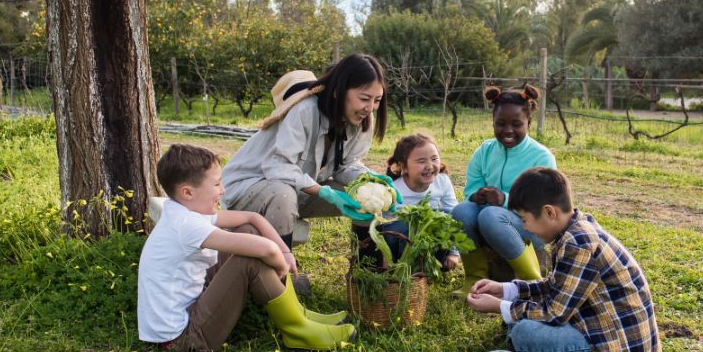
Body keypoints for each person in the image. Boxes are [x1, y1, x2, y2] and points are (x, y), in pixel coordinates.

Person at [137, 144, 355, 352]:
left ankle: (299, 315)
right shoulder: (186, 225)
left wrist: (286, 252)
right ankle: (297, 330)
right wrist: (281, 264)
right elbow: (266, 250)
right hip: (183, 338)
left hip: (191, 311)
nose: (222, 191)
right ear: (187, 193)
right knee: (249, 257)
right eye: (216, 184)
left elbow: (253, 218)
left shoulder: (181, 211)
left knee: (247, 230)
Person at [467, 167, 663, 352]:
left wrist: (498, 306)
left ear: (550, 212)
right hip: (595, 324)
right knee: (518, 318)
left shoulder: (578, 243)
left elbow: (554, 313)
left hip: (614, 347)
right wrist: (507, 290)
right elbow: (555, 286)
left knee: (522, 332)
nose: (525, 227)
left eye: (524, 219)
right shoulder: (575, 230)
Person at [221, 54, 398, 259]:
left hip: (297, 188)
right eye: (364, 98)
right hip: (248, 188)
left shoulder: (362, 119)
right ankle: (279, 281)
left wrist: (372, 181)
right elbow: (278, 168)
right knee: (283, 194)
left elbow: (345, 164)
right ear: (339, 92)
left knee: (369, 198)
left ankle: (368, 276)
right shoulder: (305, 110)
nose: (370, 108)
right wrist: (324, 192)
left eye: (377, 100)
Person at [451, 84, 557, 292]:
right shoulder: (485, 151)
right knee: (461, 211)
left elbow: (543, 206)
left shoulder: (541, 157)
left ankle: (531, 282)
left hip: (531, 229)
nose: (508, 130)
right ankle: (474, 279)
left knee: (491, 215)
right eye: (500, 123)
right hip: (491, 221)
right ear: (493, 122)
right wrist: (477, 195)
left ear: (529, 122)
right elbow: (470, 190)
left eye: (516, 124)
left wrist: (505, 200)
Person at [358, 133, 460, 268]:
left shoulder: (442, 181)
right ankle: (404, 266)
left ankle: (433, 263)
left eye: (434, 159)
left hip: (429, 241)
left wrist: (454, 253)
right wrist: (382, 256)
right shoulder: (392, 189)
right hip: (398, 241)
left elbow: (455, 217)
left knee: (450, 214)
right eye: (421, 161)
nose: (430, 166)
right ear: (404, 167)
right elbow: (379, 225)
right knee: (407, 224)